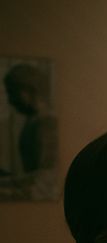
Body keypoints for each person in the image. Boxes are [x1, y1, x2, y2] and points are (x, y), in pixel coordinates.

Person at [2, 63, 58, 200]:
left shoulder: (46, 122)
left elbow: (46, 175)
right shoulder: (32, 121)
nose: (10, 100)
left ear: (27, 90)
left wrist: (8, 183)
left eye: (12, 92)